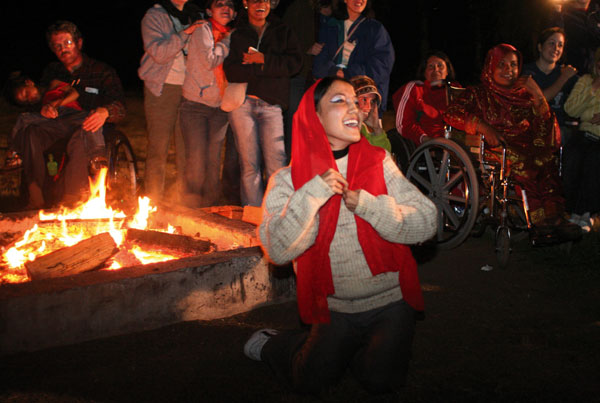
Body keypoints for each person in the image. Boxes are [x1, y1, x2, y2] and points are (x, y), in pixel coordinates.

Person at [244, 77, 437, 395]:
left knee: (381, 381)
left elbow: (428, 221)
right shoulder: (288, 180)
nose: (354, 107)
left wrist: (371, 207)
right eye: (339, 100)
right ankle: (275, 344)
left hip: (391, 302)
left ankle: (356, 354)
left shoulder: (379, 161)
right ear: (314, 117)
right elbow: (277, 250)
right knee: (311, 382)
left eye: (355, 100)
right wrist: (313, 193)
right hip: (336, 308)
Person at [444, 43, 581, 241]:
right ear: (491, 66)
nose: (509, 71)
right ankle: (538, 220)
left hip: (526, 146)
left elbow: (544, 123)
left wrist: (538, 95)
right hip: (495, 147)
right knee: (527, 163)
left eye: (514, 65)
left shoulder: (523, 95)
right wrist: (483, 127)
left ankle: (555, 217)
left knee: (546, 160)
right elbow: (451, 113)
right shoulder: (478, 94)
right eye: (502, 65)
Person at [9, 20, 126, 209]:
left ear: (79, 43)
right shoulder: (52, 71)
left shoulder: (101, 71)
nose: (63, 49)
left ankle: (72, 200)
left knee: (83, 133)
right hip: (58, 125)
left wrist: (106, 112)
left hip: (88, 126)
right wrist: (44, 108)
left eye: (67, 43)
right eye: (57, 46)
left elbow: (120, 106)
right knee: (30, 131)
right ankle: (35, 194)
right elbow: (42, 98)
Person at [223, 0, 302, 206]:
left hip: (272, 106)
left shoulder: (283, 31)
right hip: (243, 105)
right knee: (249, 166)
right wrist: (260, 67)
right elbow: (230, 70)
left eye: (265, 0)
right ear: (246, 3)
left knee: (276, 164)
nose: (261, 4)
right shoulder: (238, 33)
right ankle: (252, 217)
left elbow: (294, 64)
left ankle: (277, 214)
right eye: (256, 0)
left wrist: (262, 60)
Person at [138, 0, 204, 203]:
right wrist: (187, 33)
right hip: (163, 87)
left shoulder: (197, 14)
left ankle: (183, 203)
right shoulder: (154, 16)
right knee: (158, 148)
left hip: (190, 89)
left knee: (187, 150)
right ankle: (152, 204)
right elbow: (158, 53)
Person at [179, 0, 235, 207]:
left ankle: (211, 209)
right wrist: (226, 42)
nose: (225, 8)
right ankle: (190, 208)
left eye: (229, 4)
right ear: (210, 10)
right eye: (220, 4)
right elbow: (210, 60)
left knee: (213, 162)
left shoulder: (233, 34)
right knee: (196, 160)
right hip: (195, 105)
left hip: (220, 106)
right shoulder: (204, 29)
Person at [312, 0, 394, 113]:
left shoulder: (375, 29)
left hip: (363, 102)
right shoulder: (330, 26)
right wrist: (334, 71)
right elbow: (319, 62)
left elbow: (382, 66)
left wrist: (347, 74)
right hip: (333, 98)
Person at [522, 27, 579, 146]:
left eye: (560, 45)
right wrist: (563, 78)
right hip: (532, 128)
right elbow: (541, 99)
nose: (556, 49)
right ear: (540, 47)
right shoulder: (526, 72)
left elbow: (588, 88)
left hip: (558, 129)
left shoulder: (565, 73)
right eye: (552, 43)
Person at [562, 47, 600, 225]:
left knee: (593, 160)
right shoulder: (586, 81)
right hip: (584, 132)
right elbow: (571, 109)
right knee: (573, 156)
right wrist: (593, 88)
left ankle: (587, 213)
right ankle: (573, 211)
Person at [393, 50, 461, 146]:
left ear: (447, 71)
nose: (436, 70)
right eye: (431, 67)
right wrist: (425, 139)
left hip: (454, 144)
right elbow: (404, 124)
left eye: (440, 66)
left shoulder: (456, 90)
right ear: (424, 72)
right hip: (426, 145)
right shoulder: (415, 89)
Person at [549, 0, 600, 75]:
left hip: (594, 73)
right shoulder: (562, 12)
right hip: (570, 72)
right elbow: (553, 37)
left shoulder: (596, 13)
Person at [349, 75, 391, 152]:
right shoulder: (340, 126)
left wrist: (377, 128)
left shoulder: (364, 129)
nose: (369, 106)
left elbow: (385, 153)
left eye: (372, 102)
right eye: (364, 99)